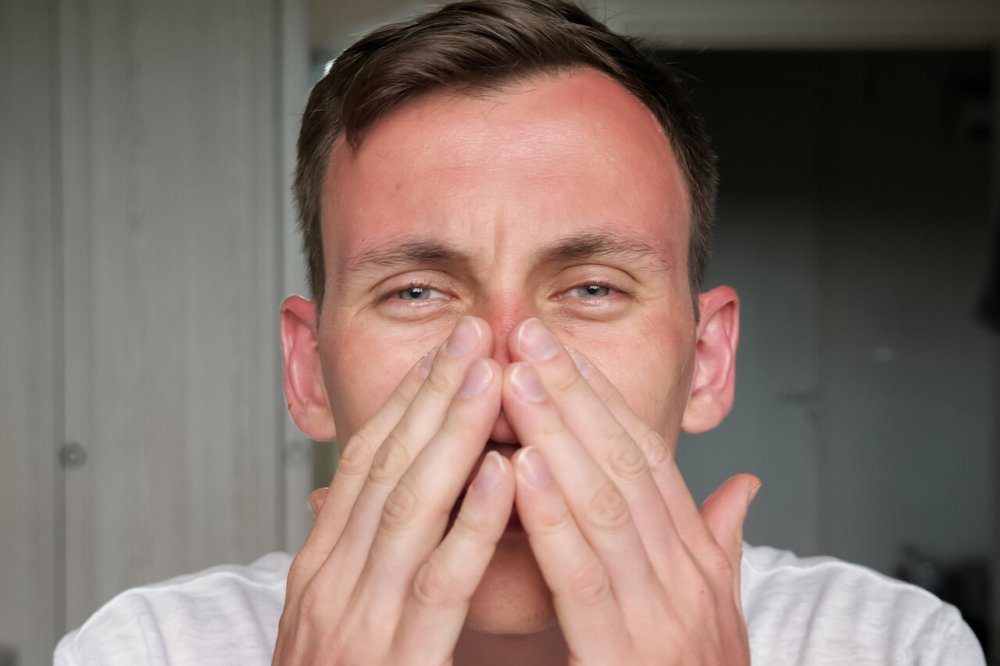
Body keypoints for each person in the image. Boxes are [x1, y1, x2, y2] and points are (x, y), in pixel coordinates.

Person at [55, 0, 986, 663]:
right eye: (417, 293)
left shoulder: (897, 647)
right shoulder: (140, 650)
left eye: (592, 288)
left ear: (707, 360)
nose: (503, 377)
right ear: (307, 371)